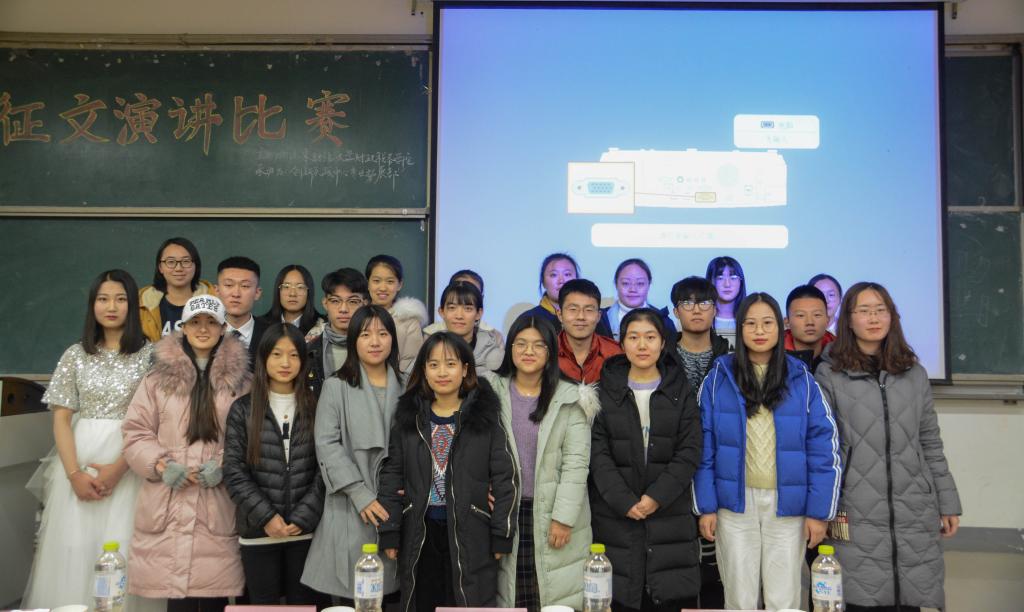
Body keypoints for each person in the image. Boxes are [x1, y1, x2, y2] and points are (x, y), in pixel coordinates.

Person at [815, 282, 961, 612]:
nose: (874, 318)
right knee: (860, 599)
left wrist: (947, 501)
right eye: (864, 311)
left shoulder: (914, 373)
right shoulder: (830, 374)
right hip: (855, 506)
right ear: (848, 320)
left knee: (908, 599)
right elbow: (824, 450)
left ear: (892, 317)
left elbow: (930, 442)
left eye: (881, 310)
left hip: (913, 506)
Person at [693, 292, 841, 612]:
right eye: (750, 323)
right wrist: (705, 506)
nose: (759, 331)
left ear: (780, 327)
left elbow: (823, 447)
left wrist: (819, 512)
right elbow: (703, 446)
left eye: (767, 323)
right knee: (739, 599)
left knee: (783, 600)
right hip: (733, 504)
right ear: (740, 328)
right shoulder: (718, 377)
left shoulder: (802, 379)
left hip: (787, 505)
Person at [22, 270, 155, 611]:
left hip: (130, 463)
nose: (111, 307)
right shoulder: (75, 354)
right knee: (75, 546)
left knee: (122, 543)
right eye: (103, 299)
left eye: (121, 299)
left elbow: (156, 421)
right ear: (92, 304)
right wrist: (74, 474)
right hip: (79, 462)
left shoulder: (150, 355)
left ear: (133, 305)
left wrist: (119, 468)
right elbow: (61, 418)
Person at [122, 295, 252, 612]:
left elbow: (253, 434)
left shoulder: (243, 382)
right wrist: (161, 464)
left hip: (216, 501)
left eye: (211, 322)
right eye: (195, 322)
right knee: (176, 601)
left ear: (223, 328)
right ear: (183, 327)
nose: (203, 329)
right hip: (168, 500)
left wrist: (224, 464)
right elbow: (135, 431)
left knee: (213, 596)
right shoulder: (157, 379)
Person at [378, 332, 519, 612]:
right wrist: (390, 530)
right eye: (433, 365)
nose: (442, 372)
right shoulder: (409, 418)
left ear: (465, 369)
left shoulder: (484, 417)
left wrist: (501, 533)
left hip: (472, 532)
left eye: (451, 364)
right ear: (424, 371)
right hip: (420, 533)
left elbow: (505, 477)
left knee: (468, 602)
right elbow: (392, 474)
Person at [589, 309, 702, 612]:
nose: (642, 345)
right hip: (615, 517)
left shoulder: (681, 390)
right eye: (634, 337)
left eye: (650, 337)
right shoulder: (603, 391)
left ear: (663, 343)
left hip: (669, 516)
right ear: (621, 342)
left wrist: (656, 497)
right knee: (621, 598)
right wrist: (624, 501)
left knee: (666, 598)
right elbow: (597, 454)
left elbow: (689, 450)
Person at [486, 314, 598, 612]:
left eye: (538, 345)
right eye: (521, 343)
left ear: (550, 352)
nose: (528, 351)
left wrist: (563, 518)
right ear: (510, 348)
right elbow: (475, 451)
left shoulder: (570, 397)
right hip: (504, 512)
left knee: (551, 596)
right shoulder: (489, 392)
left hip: (553, 512)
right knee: (510, 596)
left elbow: (576, 464)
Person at [301, 305, 404, 605]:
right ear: (353, 340)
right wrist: (361, 493)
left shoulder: (408, 384)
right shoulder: (336, 386)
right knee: (352, 598)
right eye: (365, 334)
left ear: (393, 339)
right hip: (349, 504)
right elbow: (327, 444)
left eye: (383, 333)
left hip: (397, 505)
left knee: (395, 596)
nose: (375, 342)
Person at [223, 324, 328, 606]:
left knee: (305, 606)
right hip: (258, 533)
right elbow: (233, 471)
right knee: (263, 606)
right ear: (263, 358)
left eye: (293, 355)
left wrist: (304, 516)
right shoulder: (243, 409)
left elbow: (326, 468)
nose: (285, 363)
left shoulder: (318, 406)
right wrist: (267, 517)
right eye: (277, 354)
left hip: (305, 534)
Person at [666, 275, 729, 608]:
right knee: (677, 566)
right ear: (676, 311)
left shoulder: (730, 358)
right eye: (687, 303)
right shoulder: (662, 356)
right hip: (671, 471)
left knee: (718, 569)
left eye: (704, 302)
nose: (696, 309)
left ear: (715, 309)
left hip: (718, 472)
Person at [306, 268, 369, 398]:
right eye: (335, 301)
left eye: (353, 301)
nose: (343, 309)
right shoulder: (309, 351)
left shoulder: (376, 348)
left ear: (365, 304)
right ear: (325, 303)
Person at [139, 237, 216, 341]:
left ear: (195, 266)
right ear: (160, 267)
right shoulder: (142, 304)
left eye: (186, 261)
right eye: (171, 262)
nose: (178, 268)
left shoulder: (215, 299)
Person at [366, 254, 428, 373]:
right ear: (368, 283)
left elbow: (411, 364)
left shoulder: (409, 320)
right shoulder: (357, 317)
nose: (383, 288)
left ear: (399, 284)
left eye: (390, 281)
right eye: (376, 281)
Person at [427, 281, 505, 375]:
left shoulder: (493, 354)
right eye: (452, 308)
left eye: (468, 309)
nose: (459, 316)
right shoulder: (430, 348)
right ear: (442, 312)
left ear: (479, 313)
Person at [555, 278, 621, 383]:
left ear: (598, 316)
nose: (581, 317)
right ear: (560, 315)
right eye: (573, 309)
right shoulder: (545, 353)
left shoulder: (616, 353)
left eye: (589, 310)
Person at [599, 258, 676, 341]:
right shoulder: (599, 320)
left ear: (649, 284)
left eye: (640, 283)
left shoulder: (664, 322)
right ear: (616, 284)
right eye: (625, 283)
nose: (633, 289)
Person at [216, 256, 270, 359]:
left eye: (245, 286)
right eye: (229, 285)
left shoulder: (271, 334)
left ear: (257, 293)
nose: (236, 294)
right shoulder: (205, 333)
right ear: (217, 291)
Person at [424, 269, 502, 335]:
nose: (459, 316)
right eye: (452, 307)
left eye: (472, 290)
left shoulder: (492, 337)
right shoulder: (429, 334)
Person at [521, 253, 579, 332]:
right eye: (554, 275)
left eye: (567, 274)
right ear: (543, 282)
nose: (561, 281)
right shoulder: (529, 319)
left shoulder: (590, 317)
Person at [784, 284, 835, 372]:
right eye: (801, 315)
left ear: (827, 320)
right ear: (787, 322)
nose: (810, 322)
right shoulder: (774, 357)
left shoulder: (843, 355)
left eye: (817, 315)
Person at [261, 264, 323, 336]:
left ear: (309, 292)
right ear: (278, 291)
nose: (292, 294)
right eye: (286, 287)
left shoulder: (322, 327)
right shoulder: (261, 325)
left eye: (300, 287)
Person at [704, 256, 746, 349]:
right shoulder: (698, 319)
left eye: (733, 277)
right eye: (720, 278)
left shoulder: (750, 319)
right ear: (710, 281)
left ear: (741, 281)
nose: (727, 284)